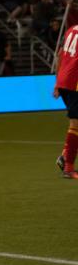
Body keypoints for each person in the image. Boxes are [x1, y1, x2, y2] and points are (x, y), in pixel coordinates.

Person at [54, 23, 78, 179]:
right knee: (76, 124)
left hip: (64, 80)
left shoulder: (72, 29)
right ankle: (68, 168)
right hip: (75, 83)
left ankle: (64, 157)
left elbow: (61, 55)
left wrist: (57, 83)